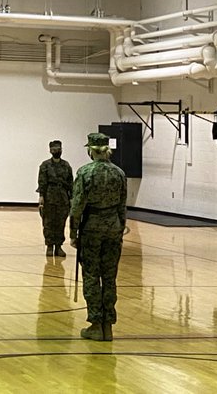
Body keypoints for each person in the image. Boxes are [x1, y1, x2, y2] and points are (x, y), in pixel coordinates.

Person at [69, 133, 127, 341]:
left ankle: (95, 324)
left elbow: (77, 206)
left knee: (92, 276)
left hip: (92, 228)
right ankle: (108, 326)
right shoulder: (119, 173)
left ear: (90, 150)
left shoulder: (85, 172)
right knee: (110, 277)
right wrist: (120, 228)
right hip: (113, 227)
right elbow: (122, 205)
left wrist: (73, 233)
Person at [38, 140, 73, 257]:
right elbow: (42, 182)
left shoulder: (66, 165)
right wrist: (41, 197)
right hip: (49, 197)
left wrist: (71, 198)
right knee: (48, 222)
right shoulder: (45, 165)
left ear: (61, 150)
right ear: (50, 151)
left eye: (58, 149)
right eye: (54, 150)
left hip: (63, 198)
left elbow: (70, 183)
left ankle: (58, 246)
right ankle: (49, 246)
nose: (56, 152)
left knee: (61, 223)